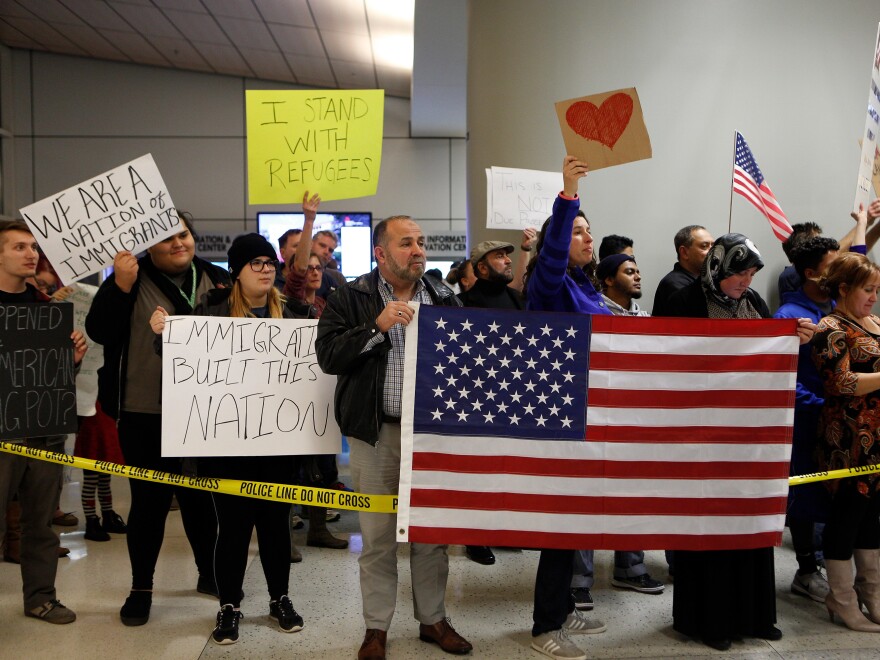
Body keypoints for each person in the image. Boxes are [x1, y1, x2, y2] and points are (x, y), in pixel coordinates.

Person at [316, 215, 472, 660]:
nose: (418, 250)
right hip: (374, 434)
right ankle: (376, 628)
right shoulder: (352, 296)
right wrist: (376, 328)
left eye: (421, 242)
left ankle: (433, 620)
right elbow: (328, 356)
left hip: (429, 437)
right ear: (381, 253)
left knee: (430, 536)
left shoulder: (443, 297)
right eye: (407, 243)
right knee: (378, 537)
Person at [663, 232, 815, 650]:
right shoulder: (685, 301)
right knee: (710, 527)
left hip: (749, 438)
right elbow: (670, 363)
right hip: (703, 439)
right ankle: (709, 621)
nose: (745, 281)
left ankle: (754, 615)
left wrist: (791, 337)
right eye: (738, 272)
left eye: (751, 273)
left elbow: (769, 356)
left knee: (750, 521)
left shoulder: (754, 305)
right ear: (717, 268)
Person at [151, 232, 305, 645]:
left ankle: (280, 598)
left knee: (276, 527)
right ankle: (229, 605)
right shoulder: (211, 310)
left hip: (277, 444)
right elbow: (176, 357)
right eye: (256, 262)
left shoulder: (294, 313)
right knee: (233, 530)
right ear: (236, 271)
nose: (266, 268)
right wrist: (162, 333)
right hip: (227, 445)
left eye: (270, 262)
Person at [85, 213, 229, 626]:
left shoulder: (217, 278)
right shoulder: (129, 277)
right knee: (148, 504)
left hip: (205, 410)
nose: (177, 243)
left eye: (183, 234)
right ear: (149, 246)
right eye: (166, 238)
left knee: (202, 499)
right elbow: (100, 331)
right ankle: (141, 589)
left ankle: (208, 573)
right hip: (144, 409)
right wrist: (119, 286)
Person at [522, 156, 608, 660]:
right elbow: (552, 257)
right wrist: (569, 191)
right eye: (576, 231)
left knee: (575, 521)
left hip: (590, 410)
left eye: (588, 231)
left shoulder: (585, 286)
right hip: (562, 413)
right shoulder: (549, 285)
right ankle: (543, 625)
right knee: (560, 524)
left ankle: (560, 605)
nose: (585, 237)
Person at [0, 219, 87, 624]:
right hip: (2, 435)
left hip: (43, 432)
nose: (31, 253)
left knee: (40, 522)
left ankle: (41, 597)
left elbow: (57, 377)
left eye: (33, 246)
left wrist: (72, 359)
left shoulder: (48, 309)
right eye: (19, 247)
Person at [811, 248, 880, 633]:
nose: (873, 297)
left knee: (872, 518)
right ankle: (841, 598)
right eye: (867, 289)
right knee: (847, 517)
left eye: (876, 290)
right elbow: (840, 382)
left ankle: (872, 595)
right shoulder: (831, 328)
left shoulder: (875, 323)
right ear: (843, 288)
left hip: (878, 439)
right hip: (849, 439)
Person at [775, 235, 844, 603]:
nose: (839, 272)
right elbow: (782, 379)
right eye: (832, 266)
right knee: (805, 495)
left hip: (840, 423)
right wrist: (820, 406)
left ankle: (835, 568)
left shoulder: (839, 307)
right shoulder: (789, 317)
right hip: (807, 421)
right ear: (811, 273)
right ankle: (805, 569)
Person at [282, 192, 348, 553]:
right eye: (307, 267)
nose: (313, 272)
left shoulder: (326, 305)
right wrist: (309, 220)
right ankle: (285, 536)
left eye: (319, 268)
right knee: (293, 468)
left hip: (321, 394)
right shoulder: (289, 301)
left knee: (323, 467)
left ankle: (318, 528)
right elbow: (297, 270)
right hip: (290, 395)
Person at [456, 239, 524, 567]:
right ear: (481, 267)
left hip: (512, 396)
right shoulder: (461, 303)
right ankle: (475, 537)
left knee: (507, 469)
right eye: (499, 256)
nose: (506, 261)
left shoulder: (517, 299)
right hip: (475, 400)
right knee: (477, 473)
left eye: (507, 256)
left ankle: (504, 528)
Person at [651, 225, 713, 315]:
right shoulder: (675, 284)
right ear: (684, 252)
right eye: (704, 246)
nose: (712, 252)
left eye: (713, 246)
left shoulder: (703, 279)